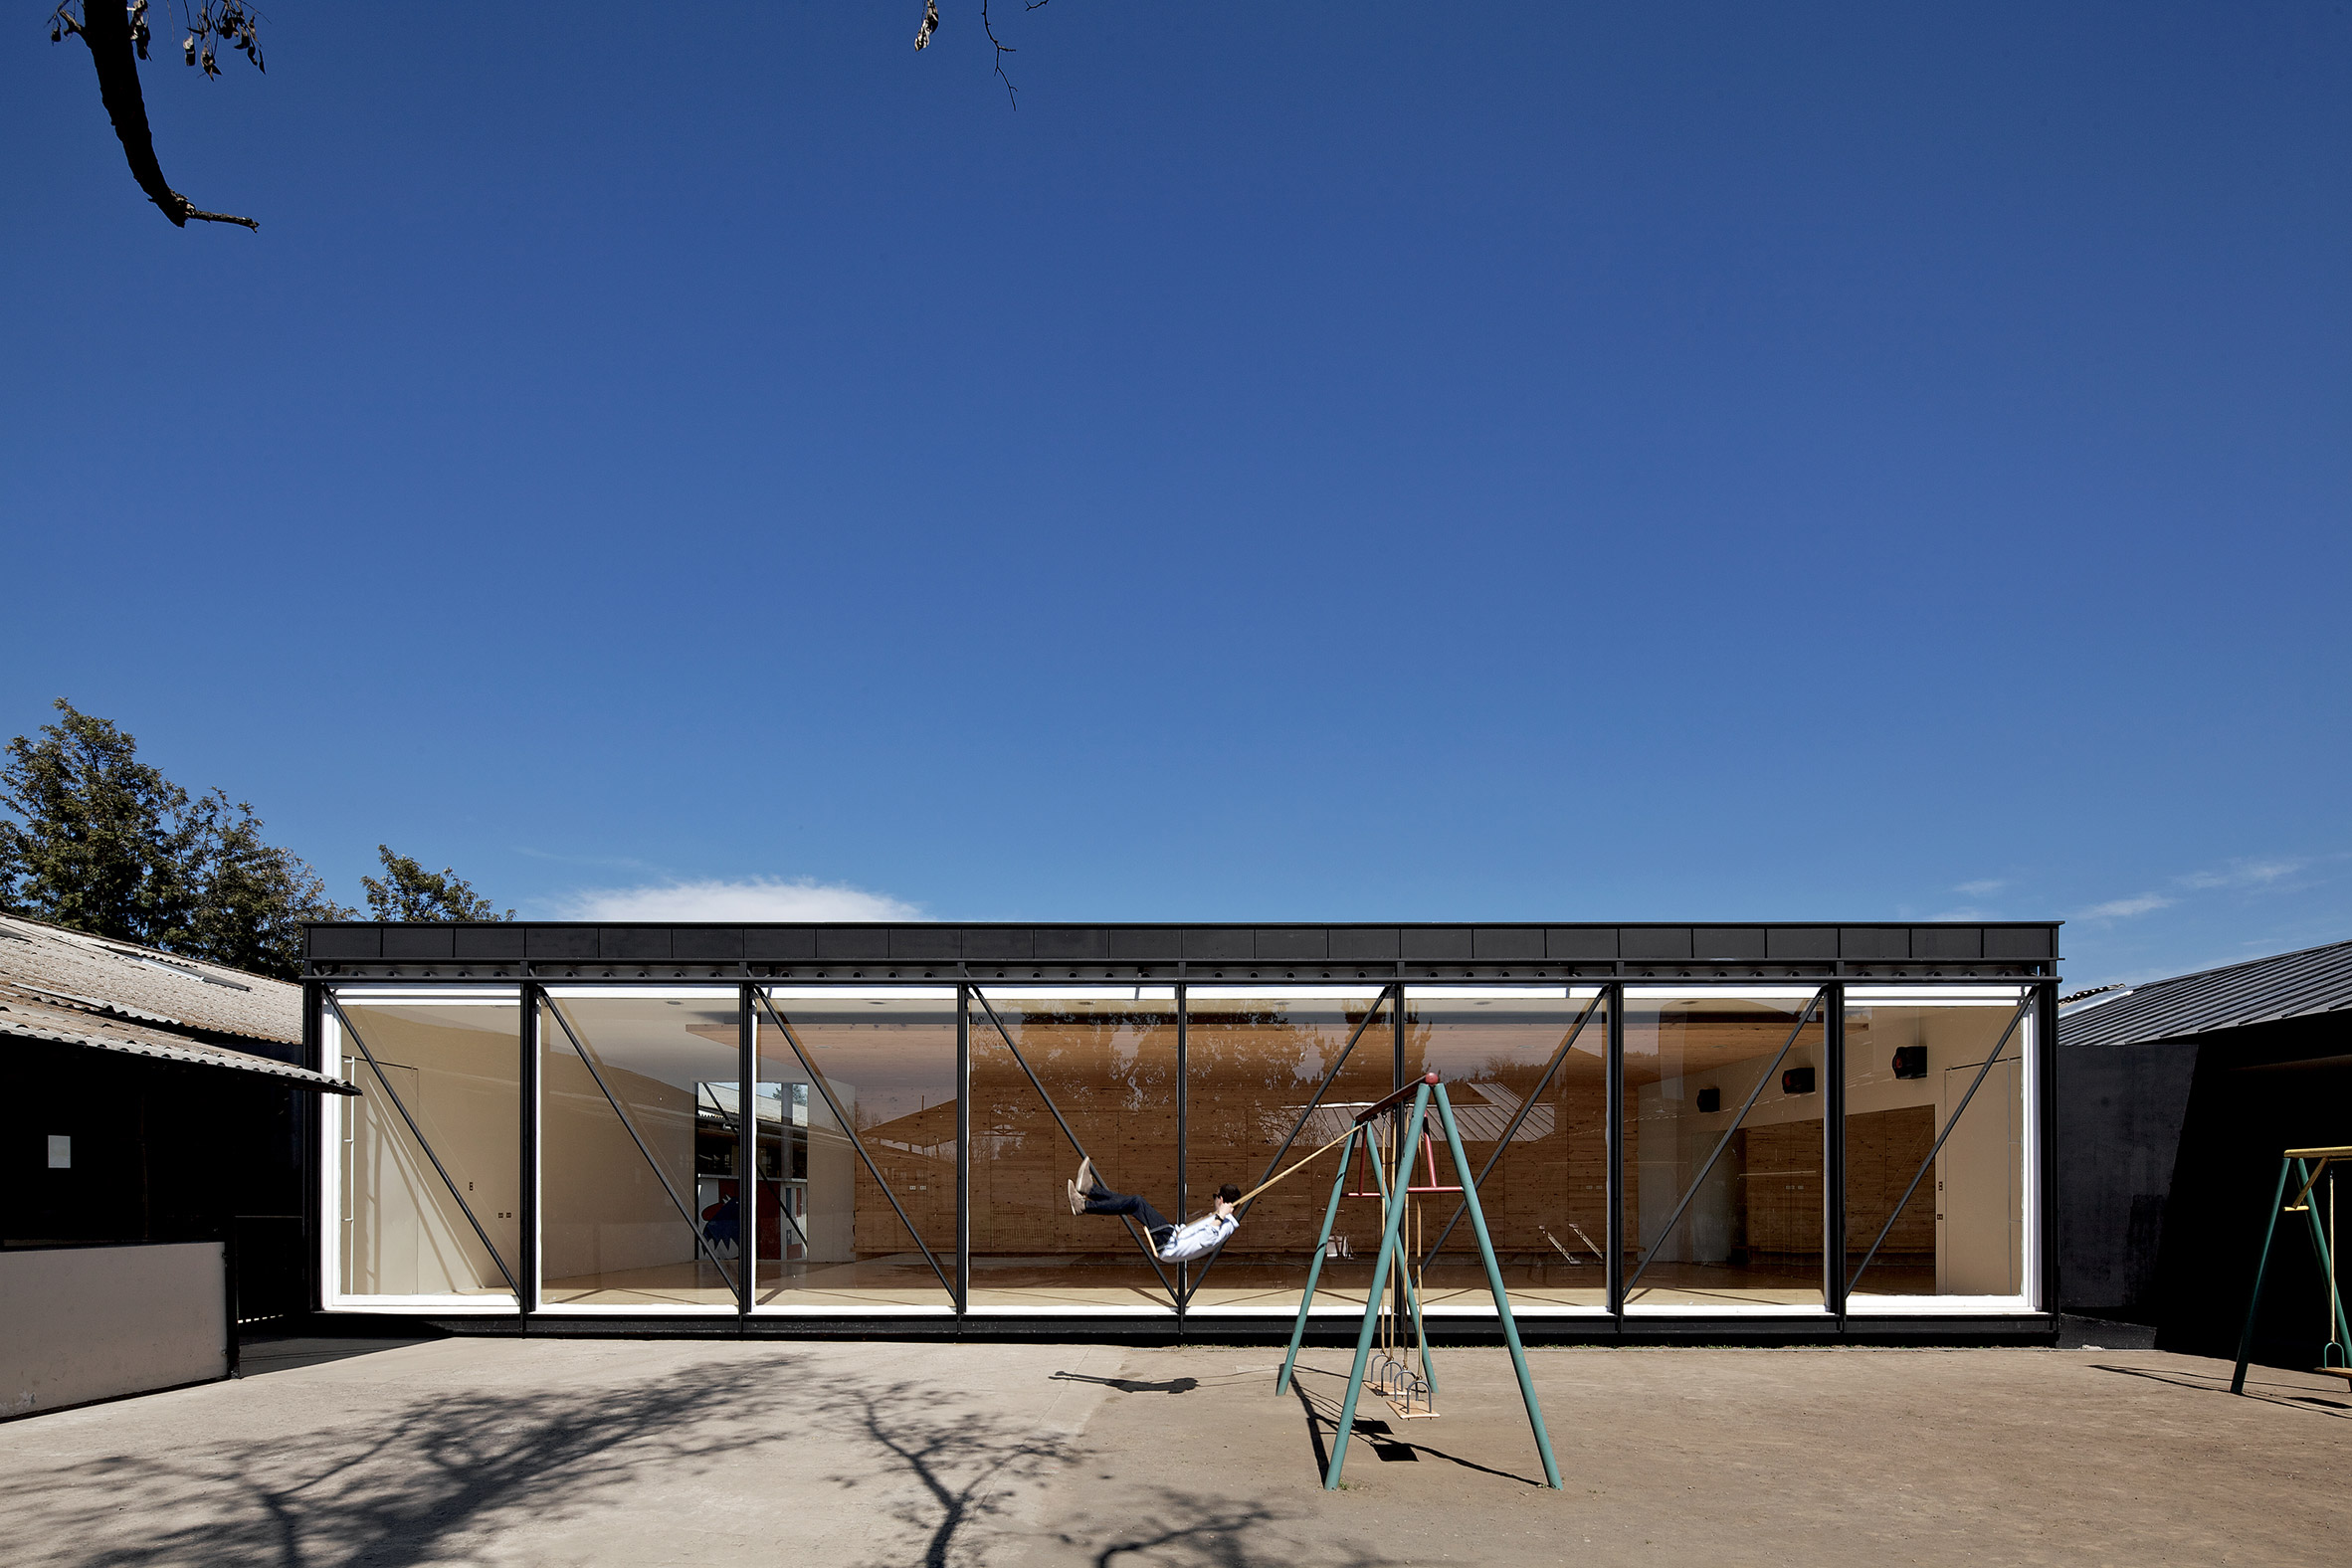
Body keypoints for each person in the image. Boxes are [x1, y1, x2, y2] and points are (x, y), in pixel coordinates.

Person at [1068, 1157, 1239, 1263]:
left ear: (1221, 1200)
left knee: (1137, 1202)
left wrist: (1220, 1216)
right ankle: (1090, 1191)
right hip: (1171, 1235)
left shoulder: (1226, 1223)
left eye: (1214, 1196)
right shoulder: (1221, 1220)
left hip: (1170, 1243)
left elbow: (1208, 1240)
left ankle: (1085, 1203)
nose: (1213, 1200)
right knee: (1133, 1204)